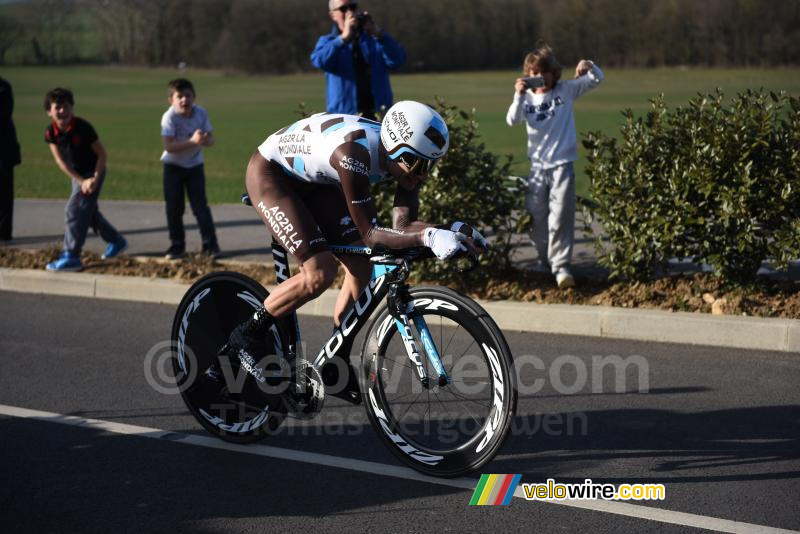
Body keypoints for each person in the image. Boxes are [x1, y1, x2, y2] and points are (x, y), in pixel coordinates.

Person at [210, 100, 487, 403]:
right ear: (396, 148)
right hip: (272, 174)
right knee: (319, 273)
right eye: (418, 165)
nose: (422, 175)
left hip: (316, 181)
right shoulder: (353, 154)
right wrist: (429, 236)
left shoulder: (407, 160)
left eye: (429, 165)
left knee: (361, 267)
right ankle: (247, 334)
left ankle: (335, 359)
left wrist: (448, 230)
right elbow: (371, 234)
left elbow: (403, 225)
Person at [506, 43, 603, 288]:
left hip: (562, 166)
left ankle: (560, 267)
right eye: (534, 74)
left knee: (560, 217)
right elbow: (512, 120)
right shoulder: (525, 97)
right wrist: (518, 95)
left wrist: (588, 64)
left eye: (544, 73)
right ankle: (543, 260)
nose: (539, 78)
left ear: (553, 73)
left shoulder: (565, 91)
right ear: (527, 75)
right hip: (537, 168)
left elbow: (596, 79)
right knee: (536, 216)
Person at [43, 88, 127, 272]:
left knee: (73, 211)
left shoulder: (83, 128)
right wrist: (80, 180)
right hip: (79, 175)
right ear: (49, 111)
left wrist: (94, 178)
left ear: (72, 108)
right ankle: (116, 240)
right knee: (87, 211)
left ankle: (71, 256)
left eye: (66, 106)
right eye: (57, 107)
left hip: (94, 171)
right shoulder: (51, 133)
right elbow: (60, 161)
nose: (62, 111)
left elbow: (102, 155)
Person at [311, 0, 406, 119]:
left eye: (353, 7)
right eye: (344, 9)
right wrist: (343, 39)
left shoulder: (374, 41)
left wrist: (379, 34)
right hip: (344, 118)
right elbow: (319, 61)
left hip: (379, 115)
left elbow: (398, 59)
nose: (350, 12)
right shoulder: (328, 41)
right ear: (333, 15)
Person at [160, 78, 220, 259]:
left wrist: (204, 140)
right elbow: (169, 146)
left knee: (200, 206)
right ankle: (177, 245)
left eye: (188, 95)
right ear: (171, 100)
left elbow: (211, 140)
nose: (184, 100)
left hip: (195, 166)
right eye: (179, 96)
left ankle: (210, 245)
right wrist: (193, 141)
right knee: (174, 208)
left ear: (194, 97)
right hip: (173, 167)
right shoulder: (169, 117)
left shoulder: (201, 113)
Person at [0, 76, 21, 243]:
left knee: (5, 191)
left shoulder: (3, 87)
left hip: (3, 148)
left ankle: (4, 233)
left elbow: (4, 114)